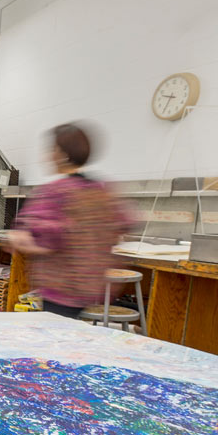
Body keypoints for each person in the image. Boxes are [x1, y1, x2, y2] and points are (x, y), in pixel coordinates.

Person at [9, 123, 135, 319]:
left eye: (51, 150)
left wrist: (17, 238)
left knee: (55, 339)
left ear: (60, 154)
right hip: (90, 287)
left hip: (60, 289)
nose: (47, 156)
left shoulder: (55, 191)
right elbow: (124, 223)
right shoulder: (102, 190)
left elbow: (41, 239)